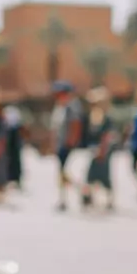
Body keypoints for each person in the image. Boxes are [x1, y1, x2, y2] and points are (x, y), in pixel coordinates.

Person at [49, 81, 86, 212]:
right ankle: (65, 198)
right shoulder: (59, 107)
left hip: (67, 145)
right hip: (60, 144)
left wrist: (72, 141)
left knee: (68, 173)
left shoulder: (72, 106)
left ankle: (82, 191)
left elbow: (76, 124)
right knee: (62, 173)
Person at [81, 87, 116, 210]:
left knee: (104, 175)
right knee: (90, 175)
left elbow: (107, 136)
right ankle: (88, 196)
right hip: (93, 150)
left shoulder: (106, 118)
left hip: (103, 151)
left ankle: (109, 199)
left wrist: (102, 150)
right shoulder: (92, 116)